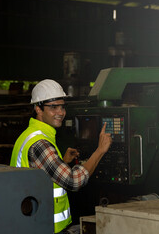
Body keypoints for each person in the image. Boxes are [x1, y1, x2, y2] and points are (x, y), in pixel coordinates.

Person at [10, 79, 112, 234]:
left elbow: (38, 174)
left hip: (33, 222)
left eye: (62, 106)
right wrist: (100, 151)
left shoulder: (30, 134)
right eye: (53, 107)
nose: (61, 112)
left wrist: (62, 162)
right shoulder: (40, 143)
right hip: (43, 226)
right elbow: (73, 181)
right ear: (38, 109)